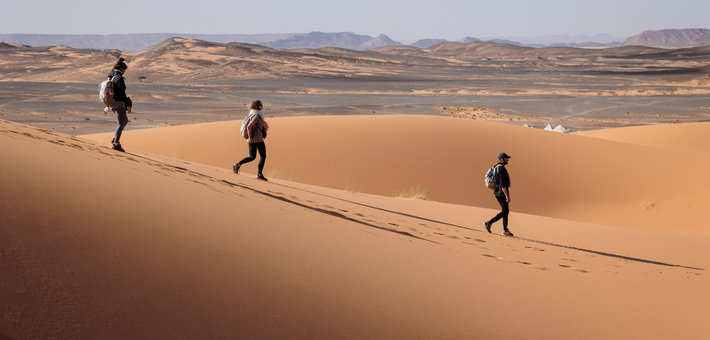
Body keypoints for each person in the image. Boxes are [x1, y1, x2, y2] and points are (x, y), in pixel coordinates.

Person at [233, 100, 270, 181]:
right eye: (261, 105)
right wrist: (250, 137)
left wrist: (250, 138)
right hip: (257, 139)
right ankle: (259, 174)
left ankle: (237, 164)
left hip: (252, 140)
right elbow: (249, 126)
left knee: (252, 157)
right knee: (263, 156)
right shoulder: (256, 115)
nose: (262, 106)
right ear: (258, 106)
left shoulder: (252, 113)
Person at [484, 153, 514, 236]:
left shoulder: (495, 167)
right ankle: (489, 223)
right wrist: (507, 196)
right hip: (501, 193)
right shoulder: (501, 169)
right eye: (506, 158)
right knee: (505, 211)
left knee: (506, 211)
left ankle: (505, 230)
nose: (507, 160)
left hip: (497, 192)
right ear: (502, 160)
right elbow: (502, 184)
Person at [108, 57, 132, 152]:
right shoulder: (119, 79)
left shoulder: (111, 76)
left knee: (124, 121)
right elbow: (122, 93)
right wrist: (128, 105)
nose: (124, 72)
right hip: (119, 104)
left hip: (113, 103)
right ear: (122, 69)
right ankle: (116, 144)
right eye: (125, 70)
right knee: (120, 123)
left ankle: (115, 139)